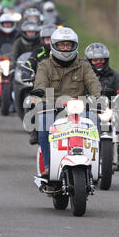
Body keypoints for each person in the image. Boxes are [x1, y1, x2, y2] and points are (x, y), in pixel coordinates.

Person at [34, 27, 102, 178]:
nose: (65, 48)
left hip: (80, 109)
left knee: (96, 121)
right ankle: (48, 166)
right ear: (54, 46)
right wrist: (43, 99)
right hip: (54, 109)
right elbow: (40, 86)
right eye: (62, 45)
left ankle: (95, 163)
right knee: (44, 122)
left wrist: (98, 98)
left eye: (68, 45)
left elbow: (93, 83)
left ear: (74, 46)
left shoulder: (83, 65)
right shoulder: (45, 66)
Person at [84, 42, 119, 171]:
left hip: (108, 110)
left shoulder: (114, 75)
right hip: (86, 111)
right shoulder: (83, 75)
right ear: (89, 61)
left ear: (106, 60)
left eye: (101, 60)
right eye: (95, 60)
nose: (98, 63)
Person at [22, 23, 57, 145]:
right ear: (42, 40)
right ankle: (34, 130)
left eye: (51, 39)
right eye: (47, 39)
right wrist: (26, 72)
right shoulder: (38, 52)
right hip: (41, 88)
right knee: (30, 101)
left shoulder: (64, 53)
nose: (49, 42)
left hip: (62, 88)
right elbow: (29, 63)